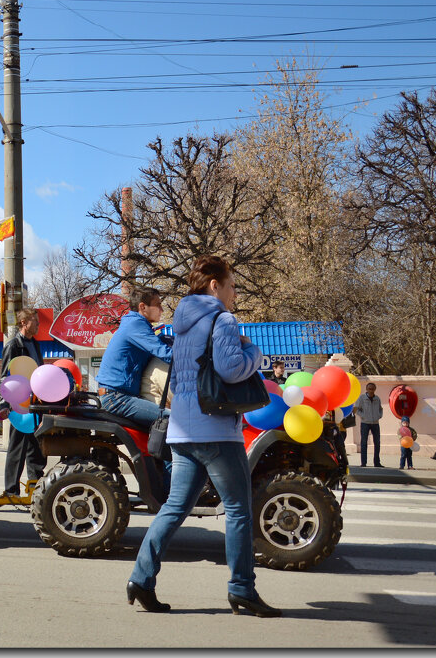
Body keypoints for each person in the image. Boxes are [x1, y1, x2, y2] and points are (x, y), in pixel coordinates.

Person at [127, 255, 280, 618]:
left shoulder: (181, 324)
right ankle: (242, 590)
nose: (234, 291)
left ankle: (141, 578)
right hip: (216, 431)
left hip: (182, 428)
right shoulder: (223, 318)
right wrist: (252, 351)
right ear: (215, 286)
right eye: (231, 285)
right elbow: (229, 369)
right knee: (240, 510)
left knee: (174, 508)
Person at [96, 288, 174, 430]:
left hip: (116, 395)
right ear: (143, 307)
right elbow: (165, 353)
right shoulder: (135, 325)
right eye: (158, 305)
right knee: (171, 420)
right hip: (117, 398)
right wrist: (195, 363)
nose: (162, 309)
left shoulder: (137, 325)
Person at [0, 308, 47, 500]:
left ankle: (35, 486)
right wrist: (5, 405)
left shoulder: (35, 343)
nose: (38, 324)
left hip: (35, 403)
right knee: (18, 446)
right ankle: (11, 490)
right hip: (19, 403)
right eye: (35, 321)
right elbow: (5, 376)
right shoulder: (13, 345)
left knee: (36, 445)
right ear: (23, 323)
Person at [352, 382, 384, 468]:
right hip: (365, 423)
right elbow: (356, 409)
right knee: (364, 443)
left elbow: (380, 409)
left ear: (375, 389)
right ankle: (363, 462)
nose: (371, 391)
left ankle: (377, 462)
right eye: (369, 389)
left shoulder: (377, 398)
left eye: (372, 389)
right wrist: (363, 416)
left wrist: (379, 416)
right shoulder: (362, 398)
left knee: (377, 443)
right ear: (366, 389)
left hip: (375, 423)